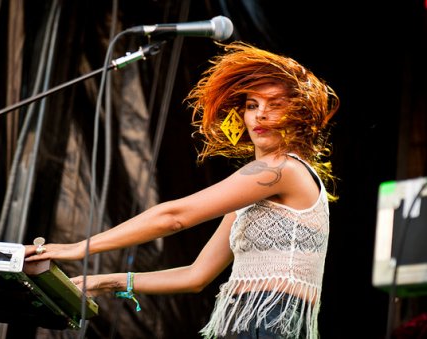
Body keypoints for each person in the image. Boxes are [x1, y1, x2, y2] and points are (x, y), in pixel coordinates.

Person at [25, 41, 340, 339]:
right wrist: (104, 282)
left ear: (299, 116)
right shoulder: (254, 191)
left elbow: (174, 216)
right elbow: (196, 276)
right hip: (245, 322)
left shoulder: (281, 169)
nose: (259, 115)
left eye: (275, 105)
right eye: (251, 105)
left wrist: (76, 248)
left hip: (269, 322)